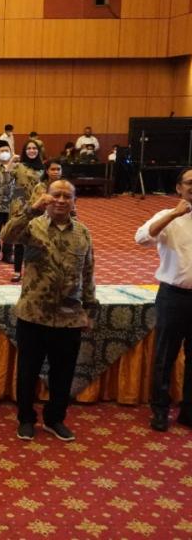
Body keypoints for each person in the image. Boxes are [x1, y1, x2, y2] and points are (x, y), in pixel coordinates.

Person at [1, 180, 96, 442]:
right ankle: (26, 419)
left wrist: (90, 310)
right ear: (47, 197)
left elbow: (88, 274)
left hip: (69, 317)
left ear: (74, 201)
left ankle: (55, 418)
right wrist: (31, 209)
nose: (62, 200)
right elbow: (6, 236)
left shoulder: (83, 233)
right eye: (57, 195)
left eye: (68, 196)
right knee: (28, 372)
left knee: (63, 373)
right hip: (33, 314)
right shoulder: (33, 226)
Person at [135, 167, 192, 432]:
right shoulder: (167, 216)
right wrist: (173, 214)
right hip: (173, 296)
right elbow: (142, 239)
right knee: (165, 356)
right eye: (190, 183)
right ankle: (160, 409)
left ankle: (189, 410)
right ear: (179, 187)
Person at [9, 141, 45, 282]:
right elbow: (5, 176)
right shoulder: (19, 166)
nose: (31, 150)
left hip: (40, 207)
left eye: (34, 148)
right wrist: (12, 159)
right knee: (19, 240)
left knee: (38, 240)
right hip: (21, 207)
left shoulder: (43, 168)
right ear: (25, 151)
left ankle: (36, 271)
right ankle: (17, 271)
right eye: (29, 148)